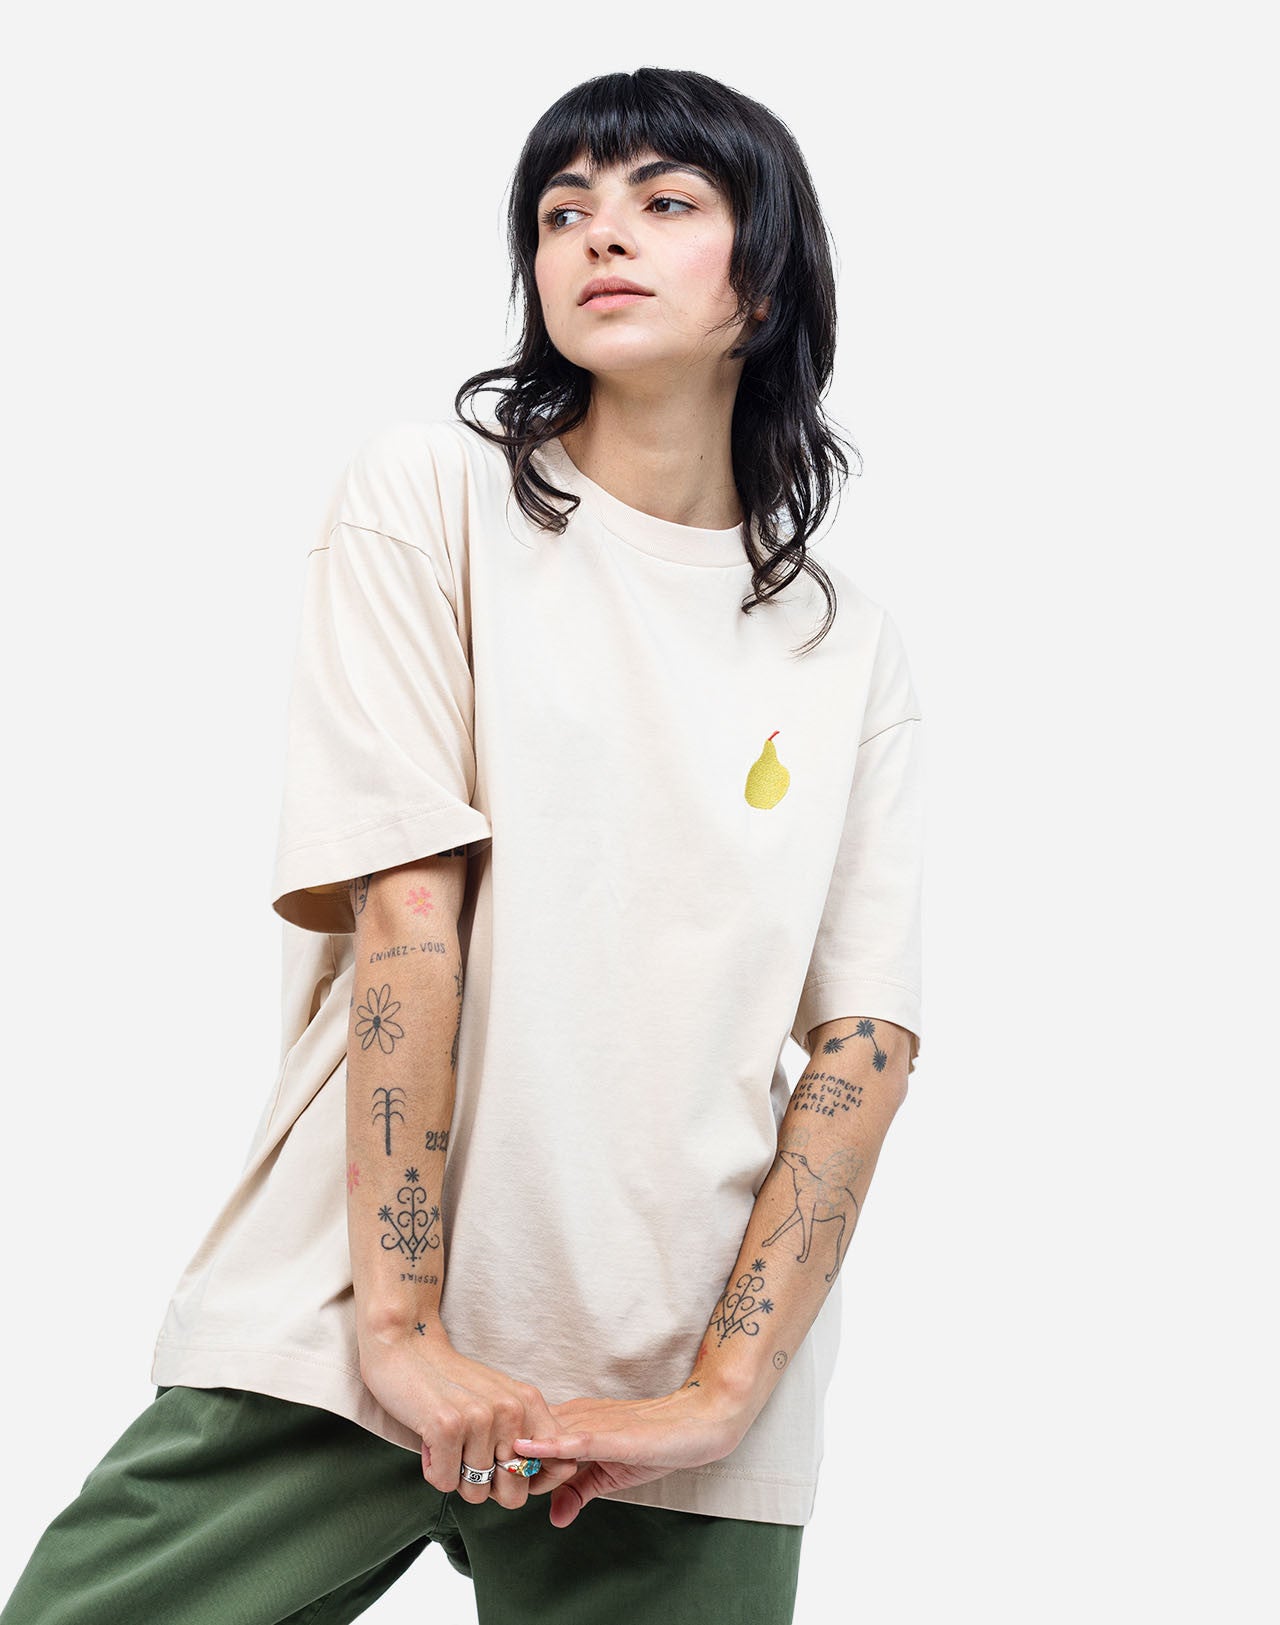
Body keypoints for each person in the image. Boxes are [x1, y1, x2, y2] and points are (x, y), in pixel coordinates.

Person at [1, 65, 925, 1625]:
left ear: (764, 283)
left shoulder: (845, 644)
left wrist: (720, 1396)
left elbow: (864, 1040)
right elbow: (409, 916)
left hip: (666, 1374)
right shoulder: (433, 498)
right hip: (345, 1317)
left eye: (663, 201)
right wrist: (405, 1334)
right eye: (562, 210)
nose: (598, 233)